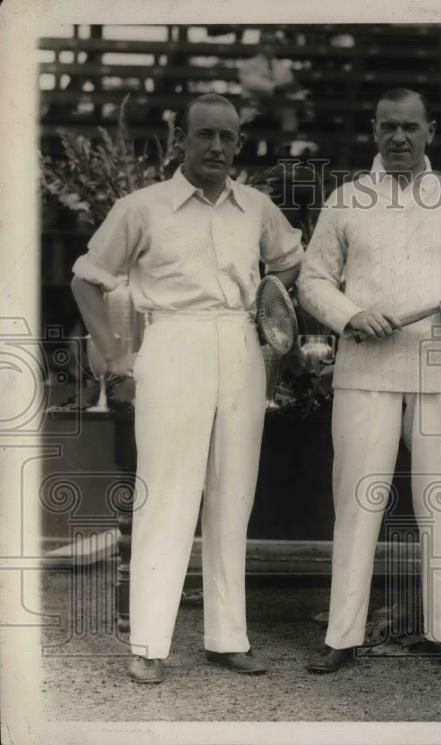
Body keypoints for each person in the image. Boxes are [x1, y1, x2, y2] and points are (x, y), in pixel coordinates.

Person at [70, 93, 304, 684]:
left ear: (239, 146)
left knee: (233, 496)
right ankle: (149, 643)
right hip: (173, 346)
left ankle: (228, 638)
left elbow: (290, 261)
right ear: (183, 141)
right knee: (168, 495)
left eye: (227, 138)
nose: (217, 148)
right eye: (205, 135)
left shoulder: (255, 207)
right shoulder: (142, 207)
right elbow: (86, 280)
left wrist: (271, 307)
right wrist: (119, 357)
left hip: (241, 348)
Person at [298, 88, 441, 673]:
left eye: (411, 127)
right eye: (389, 127)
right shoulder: (346, 200)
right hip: (366, 371)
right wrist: (351, 316)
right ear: (375, 129)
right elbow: (313, 281)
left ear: (430, 130)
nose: (400, 138)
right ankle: (342, 635)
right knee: (358, 503)